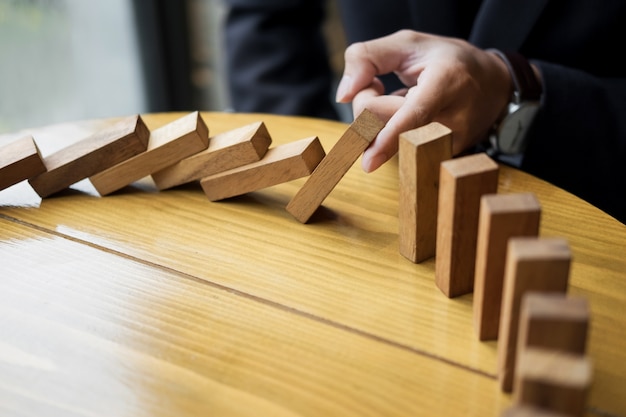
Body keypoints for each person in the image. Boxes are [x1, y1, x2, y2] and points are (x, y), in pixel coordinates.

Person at [223, 0, 626, 224]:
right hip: (379, 192)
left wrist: (516, 88)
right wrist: (297, 158)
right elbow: (268, 15)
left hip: (584, 205)